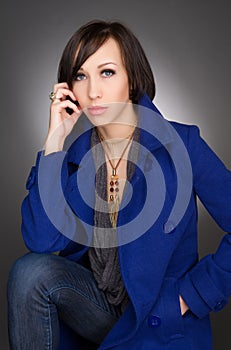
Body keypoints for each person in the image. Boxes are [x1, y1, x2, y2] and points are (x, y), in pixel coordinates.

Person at [7, 20, 231, 350]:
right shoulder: (74, 156)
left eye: (107, 72)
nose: (93, 90)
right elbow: (41, 241)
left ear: (132, 79)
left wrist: (190, 296)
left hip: (158, 318)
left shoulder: (181, 144)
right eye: (81, 75)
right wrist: (54, 142)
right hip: (97, 311)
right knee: (29, 273)